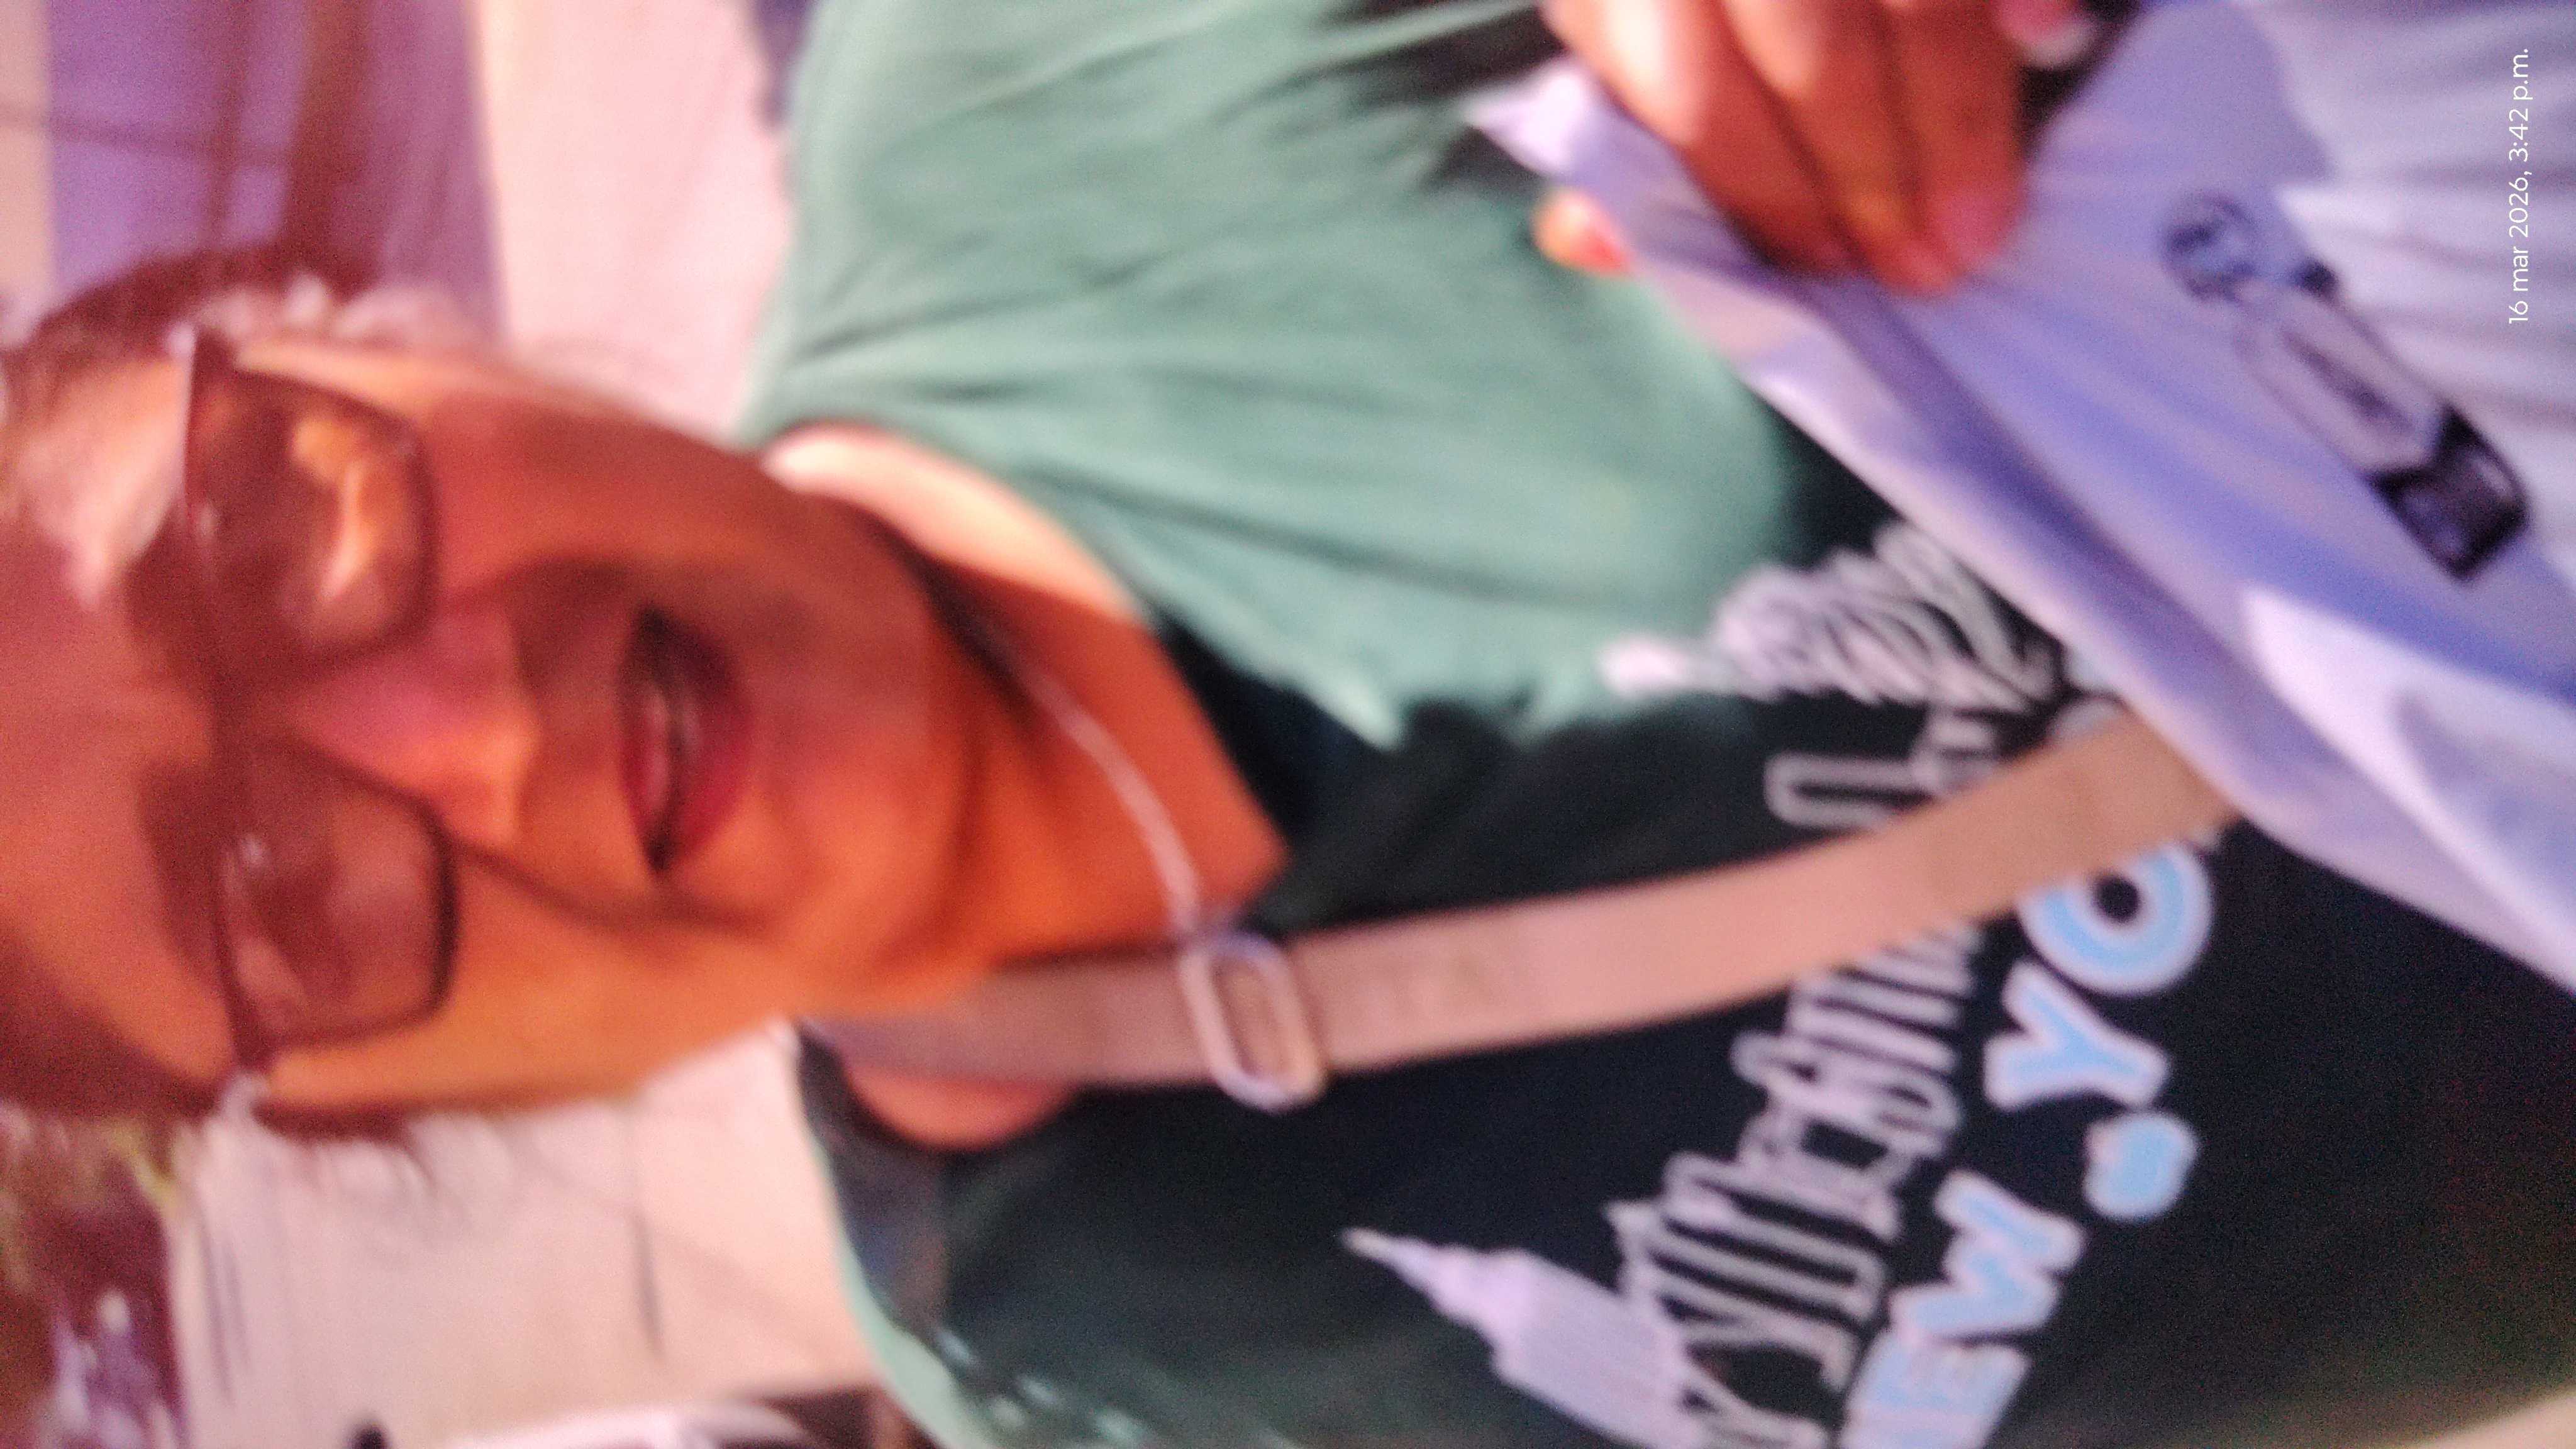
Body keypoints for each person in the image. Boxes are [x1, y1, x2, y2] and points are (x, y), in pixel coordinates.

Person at [0, 3, 2568, 1449]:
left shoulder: (1044, 77)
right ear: (375, 1108)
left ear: (354, 334)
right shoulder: (1098, 1365)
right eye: (268, 890)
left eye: (260, 534)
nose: (464, 725)